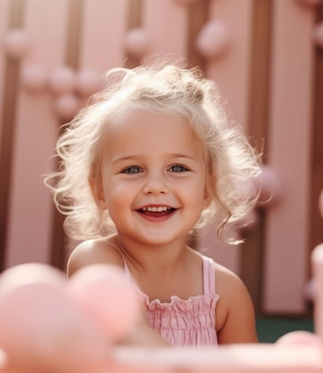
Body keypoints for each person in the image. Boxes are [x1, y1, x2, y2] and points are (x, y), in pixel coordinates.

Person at [47, 63, 261, 347]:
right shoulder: (96, 262)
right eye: (133, 170)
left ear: (208, 189)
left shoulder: (226, 292)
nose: (156, 186)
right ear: (99, 190)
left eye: (178, 167)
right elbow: (130, 337)